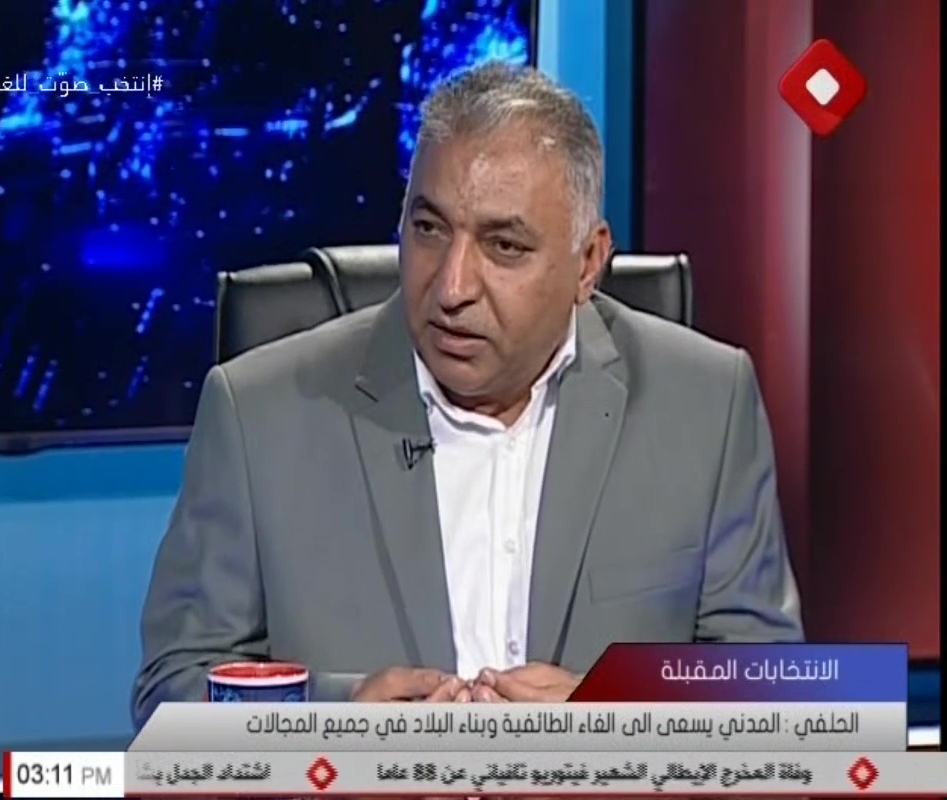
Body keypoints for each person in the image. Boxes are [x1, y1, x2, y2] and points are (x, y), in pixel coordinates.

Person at [132, 61, 803, 728]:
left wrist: (618, 712)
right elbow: (170, 696)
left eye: (504, 246)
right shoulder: (258, 415)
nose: (451, 287)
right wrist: (331, 720)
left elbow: (780, 696)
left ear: (588, 263)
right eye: (429, 229)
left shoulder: (705, 404)